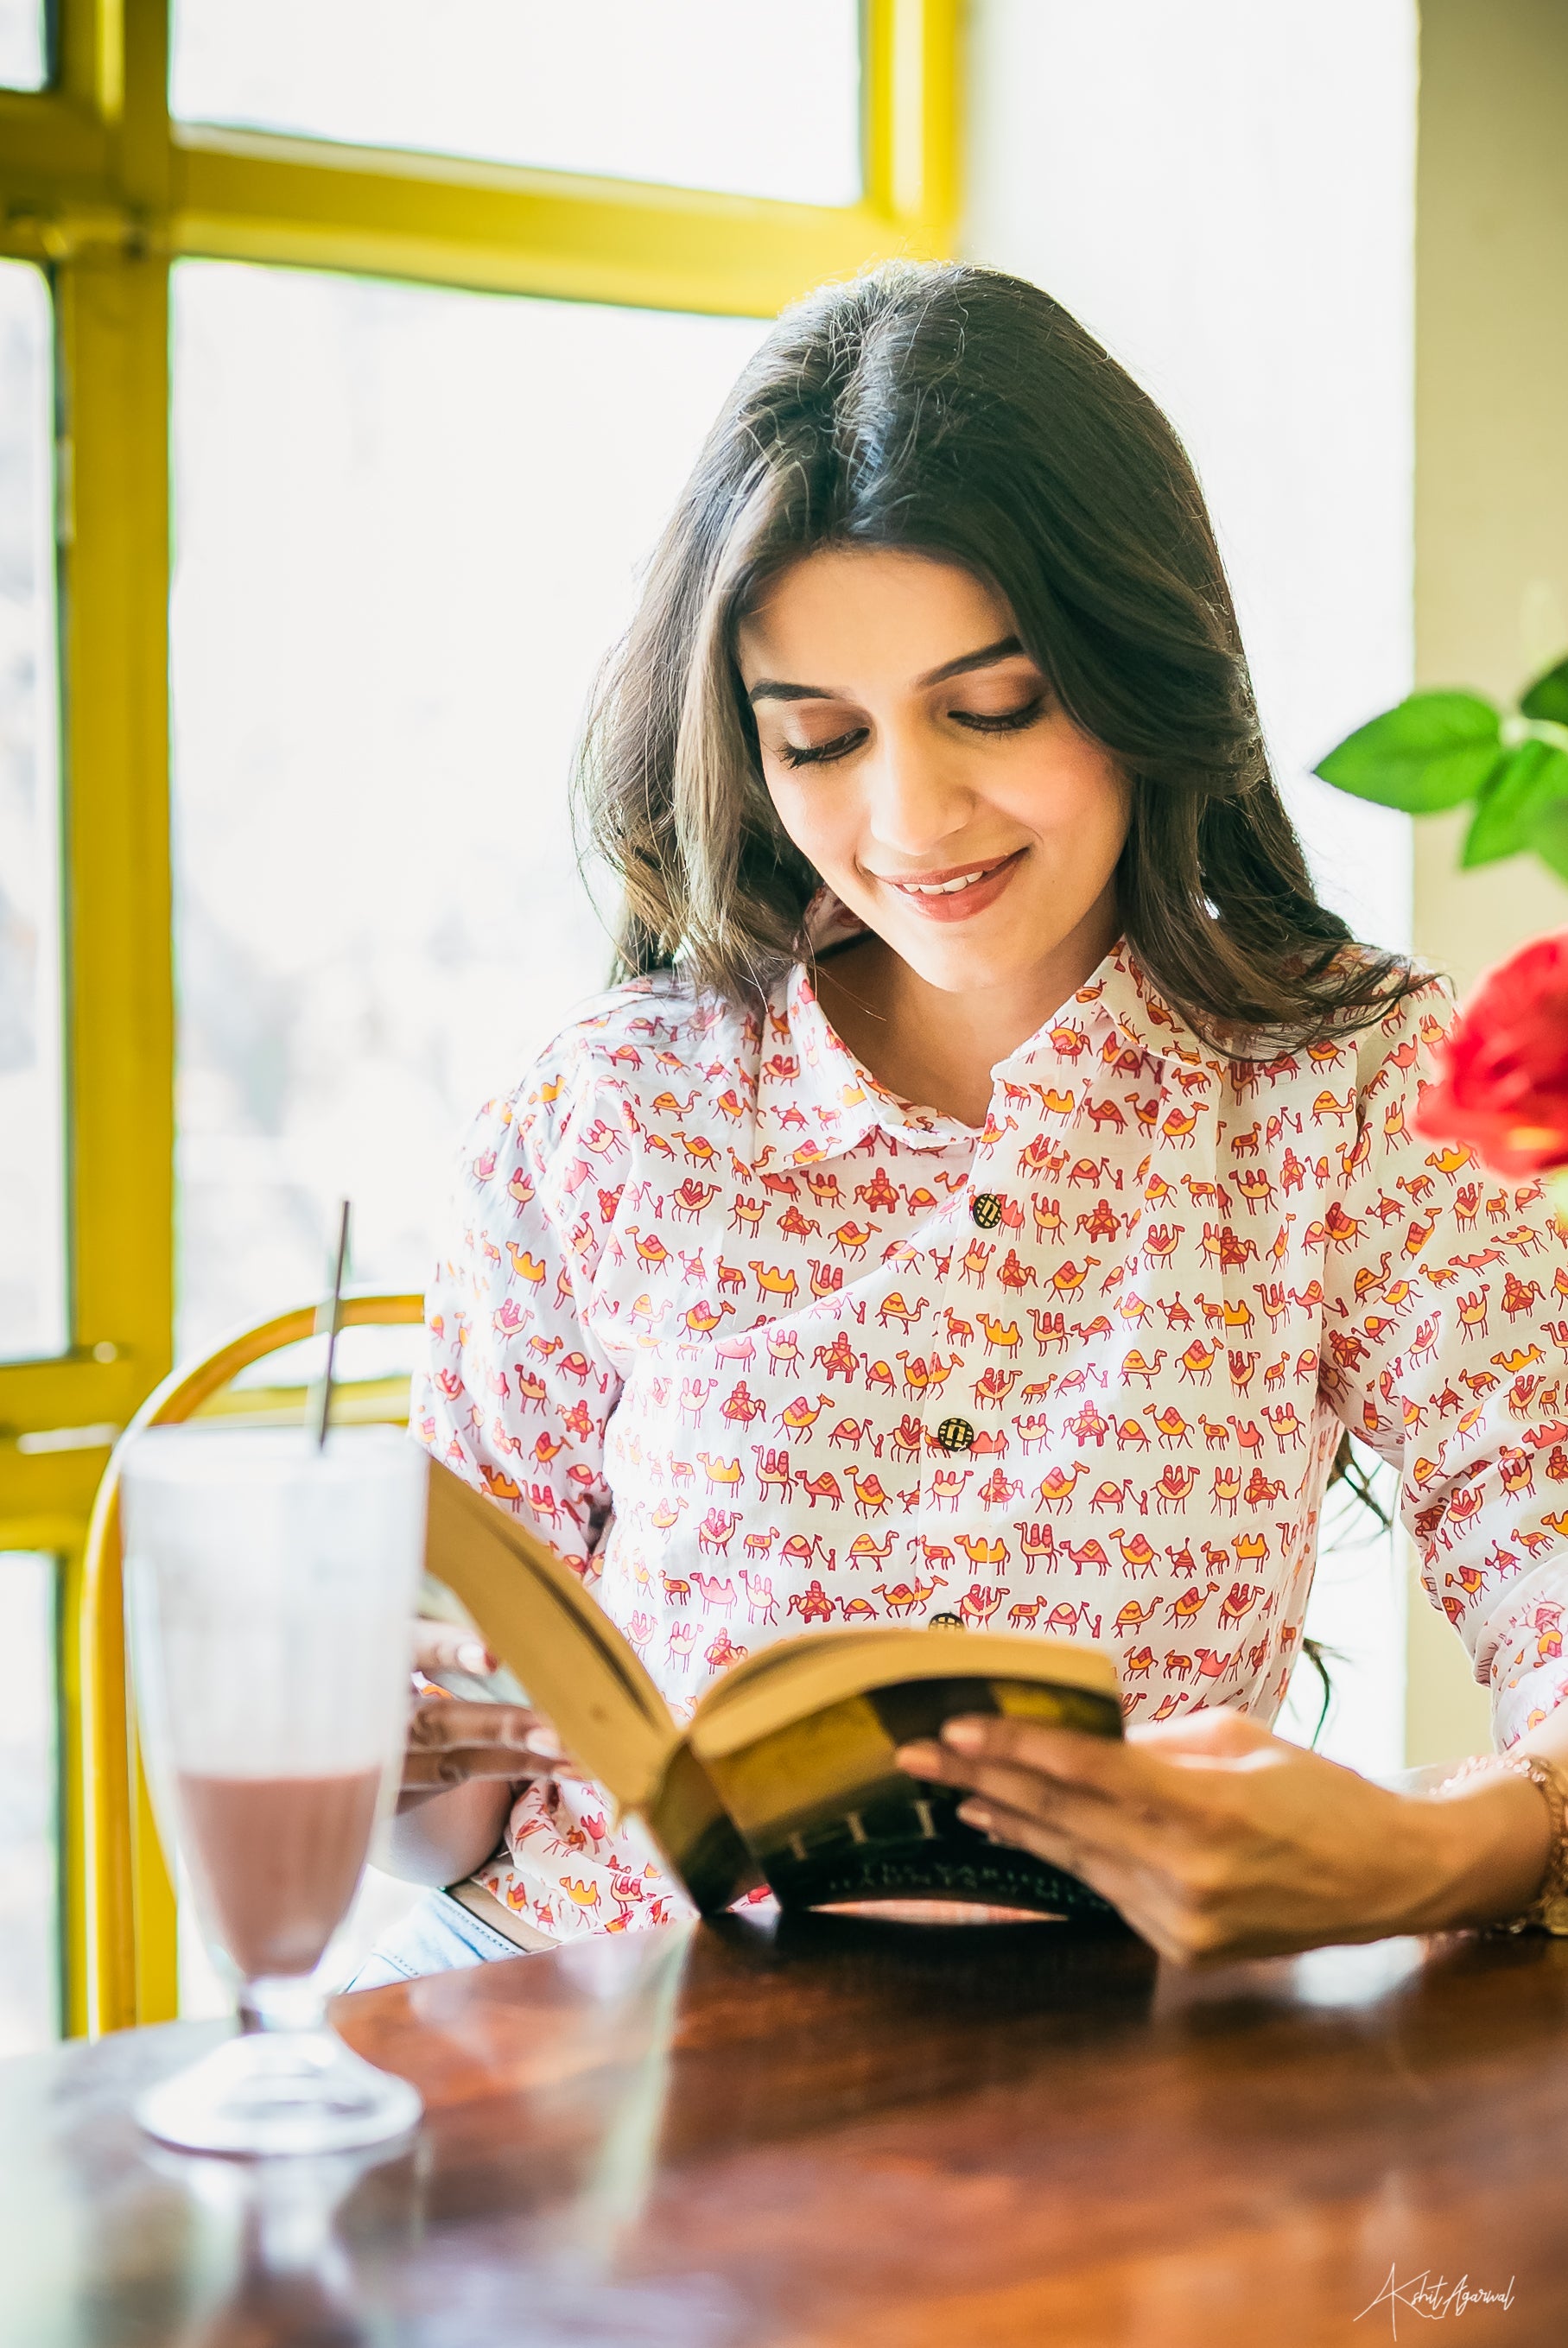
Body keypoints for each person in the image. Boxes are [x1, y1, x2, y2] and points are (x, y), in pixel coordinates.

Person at [355, 262, 1568, 1989]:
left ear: (1137, 660)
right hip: (584, 2053)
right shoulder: (602, 1112)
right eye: (818, 739)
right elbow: (444, 1819)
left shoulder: (1346, 1094)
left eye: (989, 707)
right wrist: (376, 1746)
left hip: (1074, 2109)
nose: (909, 818)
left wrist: (1422, 1847)